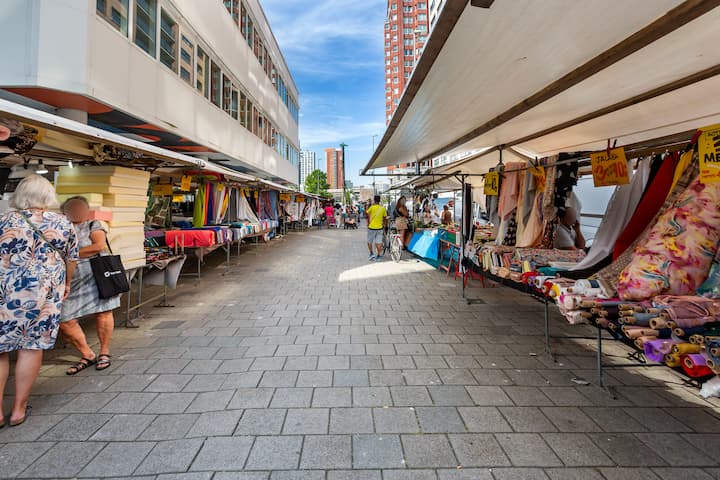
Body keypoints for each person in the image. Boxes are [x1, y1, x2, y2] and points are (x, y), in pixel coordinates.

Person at [0, 175, 78, 427]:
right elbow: (71, 258)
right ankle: (18, 409)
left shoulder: (3, 221)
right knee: (31, 347)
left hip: (5, 292)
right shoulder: (62, 222)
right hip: (44, 292)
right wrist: (66, 283)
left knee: (0, 350)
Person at [59, 196, 122, 375]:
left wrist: (70, 254)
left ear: (87, 211)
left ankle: (104, 351)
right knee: (64, 320)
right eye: (72, 208)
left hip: (97, 277)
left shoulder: (93, 225)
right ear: (65, 212)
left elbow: (98, 246)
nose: (76, 211)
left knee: (103, 312)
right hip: (68, 281)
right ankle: (87, 353)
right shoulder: (60, 228)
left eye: (80, 208)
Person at [366, 195, 387, 261]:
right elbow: (385, 218)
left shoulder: (371, 207)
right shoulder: (383, 208)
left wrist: (368, 223)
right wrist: (384, 224)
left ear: (374, 200)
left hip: (371, 227)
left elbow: (366, 214)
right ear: (380, 200)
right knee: (379, 242)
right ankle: (378, 255)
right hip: (380, 228)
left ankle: (371, 253)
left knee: (369, 241)